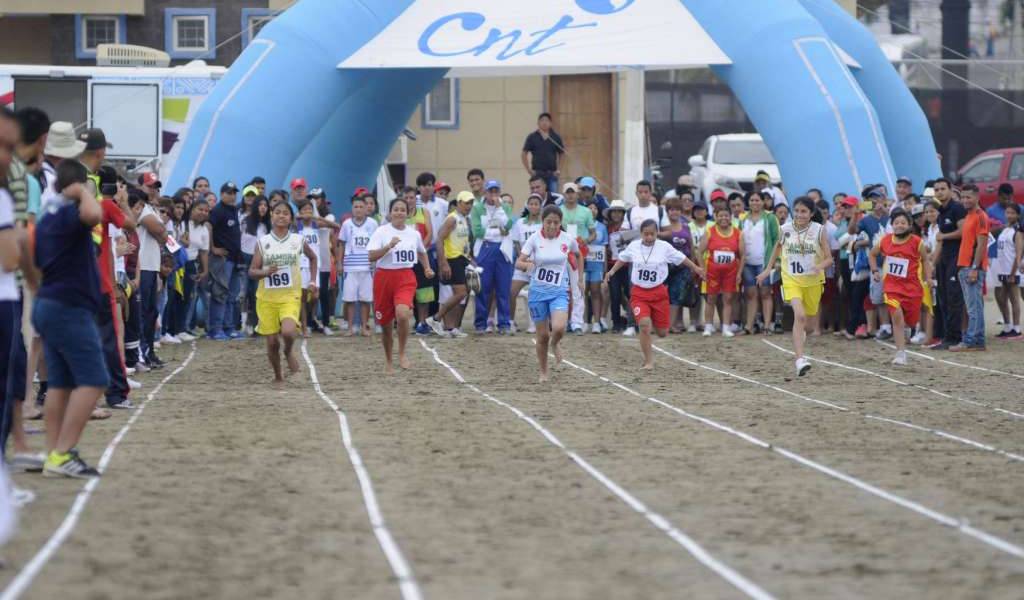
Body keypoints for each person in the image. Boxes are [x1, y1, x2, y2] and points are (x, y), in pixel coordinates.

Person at [32, 160, 107, 478]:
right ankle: (62, 453)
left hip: (49, 303)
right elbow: (94, 215)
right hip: (68, 307)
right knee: (93, 380)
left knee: (60, 385)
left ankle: (53, 454)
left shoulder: (47, 217)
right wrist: (83, 191)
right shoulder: (71, 212)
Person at [606, 219, 703, 369]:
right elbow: (622, 259)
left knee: (662, 332)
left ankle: (656, 322)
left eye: (652, 234)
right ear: (641, 234)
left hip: (658, 293)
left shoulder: (664, 247)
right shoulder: (634, 247)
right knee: (644, 325)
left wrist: (696, 268)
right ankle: (648, 361)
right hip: (639, 293)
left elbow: (681, 258)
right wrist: (611, 272)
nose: (649, 237)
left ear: (657, 233)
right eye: (646, 234)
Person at [758, 197, 833, 376]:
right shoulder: (785, 229)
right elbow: (777, 248)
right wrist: (767, 270)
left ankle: (801, 337)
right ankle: (799, 359)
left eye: (804, 211)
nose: (799, 215)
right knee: (799, 316)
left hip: (813, 282)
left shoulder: (819, 230)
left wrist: (819, 266)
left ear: (811, 213)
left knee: (808, 324)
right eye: (797, 211)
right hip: (791, 279)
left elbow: (829, 258)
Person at [248, 201, 318, 384]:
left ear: (291, 218)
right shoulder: (263, 243)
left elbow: (313, 257)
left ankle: (288, 351)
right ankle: (278, 375)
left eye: (285, 213)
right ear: (272, 216)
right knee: (272, 343)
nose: (281, 216)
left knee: (288, 332)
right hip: (266, 299)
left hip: (290, 296)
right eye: (277, 212)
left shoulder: (297, 240)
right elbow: (252, 271)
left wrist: (312, 280)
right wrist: (265, 272)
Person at [516, 205, 582, 382]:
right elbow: (518, 262)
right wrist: (527, 265)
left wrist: (580, 279)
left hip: (559, 291)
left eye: (556, 222)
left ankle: (555, 344)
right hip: (537, 292)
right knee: (542, 336)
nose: (552, 226)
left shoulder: (567, 239)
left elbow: (578, 254)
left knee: (560, 327)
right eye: (548, 222)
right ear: (542, 222)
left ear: (561, 223)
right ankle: (543, 371)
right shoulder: (534, 239)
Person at [367, 198, 434, 372]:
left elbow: (422, 252)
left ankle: (402, 353)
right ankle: (389, 359)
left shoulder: (414, 233)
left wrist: (427, 268)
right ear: (390, 212)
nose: (399, 212)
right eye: (395, 209)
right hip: (384, 278)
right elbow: (371, 256)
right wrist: (388, 247)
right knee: (386, 325)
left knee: (403, 314)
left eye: (402, 210)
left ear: (408, 213)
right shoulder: (381, 231)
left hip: (405, 277)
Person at [870, 210, 931, 365]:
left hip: (912, 287)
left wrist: (928, 278)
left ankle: (908, 328)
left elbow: (925, 260)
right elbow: (872, 254)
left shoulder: (917, 242)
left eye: (903, 223)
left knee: (910, 321)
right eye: (896, 223)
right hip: (891, 287)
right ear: (892, 225)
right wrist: (875, 270)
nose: (899, 225)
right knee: (896, 317)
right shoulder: (885, 241)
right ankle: (900, 353)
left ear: (909, 225)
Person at [426, 191, 475, 337]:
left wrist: (470, 258)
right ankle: (435, 318)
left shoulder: (465, 219)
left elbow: (465, 241)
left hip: (461, 259)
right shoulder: (452, 219)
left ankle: (451, 327)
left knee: (459, 295)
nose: (469, 206)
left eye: (471, 203)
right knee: (461, 293)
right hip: (452, 260)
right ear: (458, 203)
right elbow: (439, 239)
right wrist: (443, 263)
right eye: (466, 203)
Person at [470, 180, 514, 334]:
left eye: (496, 192)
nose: (493, 195)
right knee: (483, 288)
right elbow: (477, 232)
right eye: (491, 191)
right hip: (485, 249)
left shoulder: (505, 207)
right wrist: (497, 232)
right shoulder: (477, 208)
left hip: (502, 250)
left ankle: (504, 323)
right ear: (485, 192)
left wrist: (499, 208)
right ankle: (480, 323)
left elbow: (508, 225)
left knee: (503, 289)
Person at [930, 178, 967, 350]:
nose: (939, 192)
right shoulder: (941, 212)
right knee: (943, 298)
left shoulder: (957, 208)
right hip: (944, 259)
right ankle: (947, 336)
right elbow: (940, 242)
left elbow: (963, 231)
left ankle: (956, 337)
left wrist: (943, 236)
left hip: (957, 258)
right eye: (936, 190)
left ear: (950, 190)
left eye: (942, 189)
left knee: (954, 298)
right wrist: (932, 264)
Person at [953, 184, 989, 351]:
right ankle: (978, 341)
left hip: (972, 267)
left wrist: (975, 267)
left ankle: (971, 340)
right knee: (974, 306)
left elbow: (981, 244)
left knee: (973, 307)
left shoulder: (980, 216)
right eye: (963, 197)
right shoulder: (969, 216)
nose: (965, 200)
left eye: (969, 197)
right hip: (966, 266)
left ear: (977, 197)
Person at [697, 205, 742, 337]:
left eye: (726, 216)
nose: (723, 218)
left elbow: (743, 255)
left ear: (730, 217)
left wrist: (739, 273)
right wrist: (702, 270)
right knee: (711, 298)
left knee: (728, 299)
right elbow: (699, 252)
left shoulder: (738, 233)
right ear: (716, 217)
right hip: (712, 271)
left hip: (731, 272)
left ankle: (726, 327)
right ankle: (708, 326)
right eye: (720, 215)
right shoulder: (710, 231)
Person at [741, 191, 781, 335]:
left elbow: (777, 239)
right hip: (747, 263)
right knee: (751, 294)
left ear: (763, 202)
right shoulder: (743, 219)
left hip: (764, 263)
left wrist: (777, 260)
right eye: (752, 200)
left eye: (757, 200)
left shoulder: (770, 218)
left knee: (765, 293)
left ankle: (766, 325)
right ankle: (749, 326)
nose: (755, 203)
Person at [207, 181, 243, 341]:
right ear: (222, 194)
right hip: (222, 259)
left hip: (234, 258)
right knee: (220, 294)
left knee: (232, 295)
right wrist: (213, 248)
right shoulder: (218, 210)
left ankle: (229, 328)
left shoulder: (233, 210)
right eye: (229, 192)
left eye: (234, 192)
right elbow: (208, 226)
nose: (232, 195)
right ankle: (216, 329)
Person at [560, 181, 597, 334]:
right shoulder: (558, 211)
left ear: (577, 194)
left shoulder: (586, 212)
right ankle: (562, 321)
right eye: (567, 192)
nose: (570, 195)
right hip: (561, 254)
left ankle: (576, 322)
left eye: (572, 192)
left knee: (578, 287)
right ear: (564, 194)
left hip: (578, 254)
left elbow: (593, 233)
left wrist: (586, 240)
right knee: (561, 288)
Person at [339, 194, 378, 336]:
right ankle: (350, 327)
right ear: (352, 208)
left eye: (361, 206)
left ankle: (364, 326)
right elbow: (341, 244)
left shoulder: (373, 224)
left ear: (366, 208)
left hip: (367, 267)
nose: (359, 209)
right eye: (356, 207)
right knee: (349, 299)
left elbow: (376, 243)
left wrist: (375, 262)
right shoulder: (346, 224)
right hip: (350, 267)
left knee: (365, 299)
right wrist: (339, 263)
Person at [510, 193, 543, 333]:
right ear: (527, 205)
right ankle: (511, 321)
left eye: (536, 204)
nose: (534, 206)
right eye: (531, 203)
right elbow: (516, 242)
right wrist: (521, 259)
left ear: (540, 206)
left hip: (538, 265)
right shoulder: (520, 222)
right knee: (512, 292)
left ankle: (535, 324)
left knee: (536, 294)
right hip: (522, 264)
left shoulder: (543, 223)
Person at [241, 194, 270, 336]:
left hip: (261, 261)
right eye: (260, 205)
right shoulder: (246, 222)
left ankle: (256, 323)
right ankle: (241, 323)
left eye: (265, 205)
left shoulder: (267, 225)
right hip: (245, 259)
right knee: (243, 293)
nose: (263, 208)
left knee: (257, 294)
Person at [604, 200, 635, 335]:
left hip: (628, 265)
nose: (616, 214)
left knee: (631, 294)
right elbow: (606, 248)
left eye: (619, 212)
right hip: (613, 266)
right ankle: (616, 322)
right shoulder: (607, 229)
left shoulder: (629, 228)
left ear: (623, 214)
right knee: (615, 295)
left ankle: (633, 321)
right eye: (614, 212)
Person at [992, 202, 1022, 338]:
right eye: (1007, 213)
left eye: (1012, 213)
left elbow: (1018, 254)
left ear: (1018, 215)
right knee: (1002, 298)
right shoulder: (1005, 229)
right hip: (1002, 269)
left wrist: (1012, 272)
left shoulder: (1018, 231)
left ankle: (1016, 328)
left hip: (1012, 270)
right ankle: (1007, 326)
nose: (1009, 215)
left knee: (1014, 298)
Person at [521, 112, 564, 194]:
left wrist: (559, 170)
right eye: (542, 120)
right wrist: (529, 170)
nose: (544, 122)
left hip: (551, 173)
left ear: (550, 123)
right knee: (537, 196)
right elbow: (524, 153)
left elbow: (562, 153)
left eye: (547, 120)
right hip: (537, 173)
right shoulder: (532, 137)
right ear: (538, 123)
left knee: (553, 196)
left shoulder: (555, 137)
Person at [584, 202, 609, 333]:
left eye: (595, 208)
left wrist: (605, 269)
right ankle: (584, 322)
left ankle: (596, 322)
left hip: (597, 264)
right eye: (590, 208)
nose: (592, 210)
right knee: (583, 292)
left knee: (595, 291)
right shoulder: (582, 224)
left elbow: (604, 248)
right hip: (583, 263)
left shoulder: (602, 227)